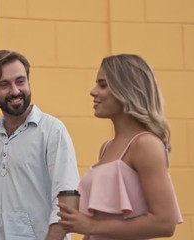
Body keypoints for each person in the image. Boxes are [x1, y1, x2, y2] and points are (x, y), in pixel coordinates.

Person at [57, 54, 183, 240]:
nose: (93, 91)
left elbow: (165, 223)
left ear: (127, 90)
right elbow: (99, 223)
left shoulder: (145, 145)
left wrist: (91, 226)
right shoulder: (107, 147)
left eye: (103, 84)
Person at [0, 50, 80, 240]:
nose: (15, 91)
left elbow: (66, 201)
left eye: (20, 81)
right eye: (4, 84)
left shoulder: (52, 131)